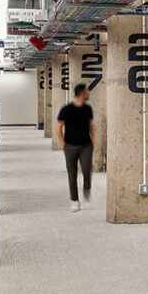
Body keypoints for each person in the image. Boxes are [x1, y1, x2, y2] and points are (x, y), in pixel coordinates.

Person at [57, 83, 95, 212]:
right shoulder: (66, 109)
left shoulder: (88, 109)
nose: (88, 93)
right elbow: (59, 127)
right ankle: (75, 200)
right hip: (70, 146)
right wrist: (63, 144)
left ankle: (87, 188)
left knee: (86, 170)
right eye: (87, 91)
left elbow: (91, 125)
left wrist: (93, 141)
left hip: (86, 145)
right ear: (81, 93)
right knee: (72, 174)